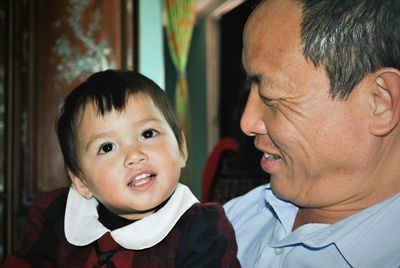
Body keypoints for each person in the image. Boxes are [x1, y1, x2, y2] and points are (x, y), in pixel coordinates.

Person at [224, 0, 400, 267]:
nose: (247, 123)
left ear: (379, 102)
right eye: (250, 87)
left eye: (271, 97)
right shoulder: (232, 219)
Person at [2, 70, 240, 267]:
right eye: (107, 147)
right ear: (82, 181)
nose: (134, 155)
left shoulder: (202, 231)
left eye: (148, 133)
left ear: (181, 148)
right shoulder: (55, 216)